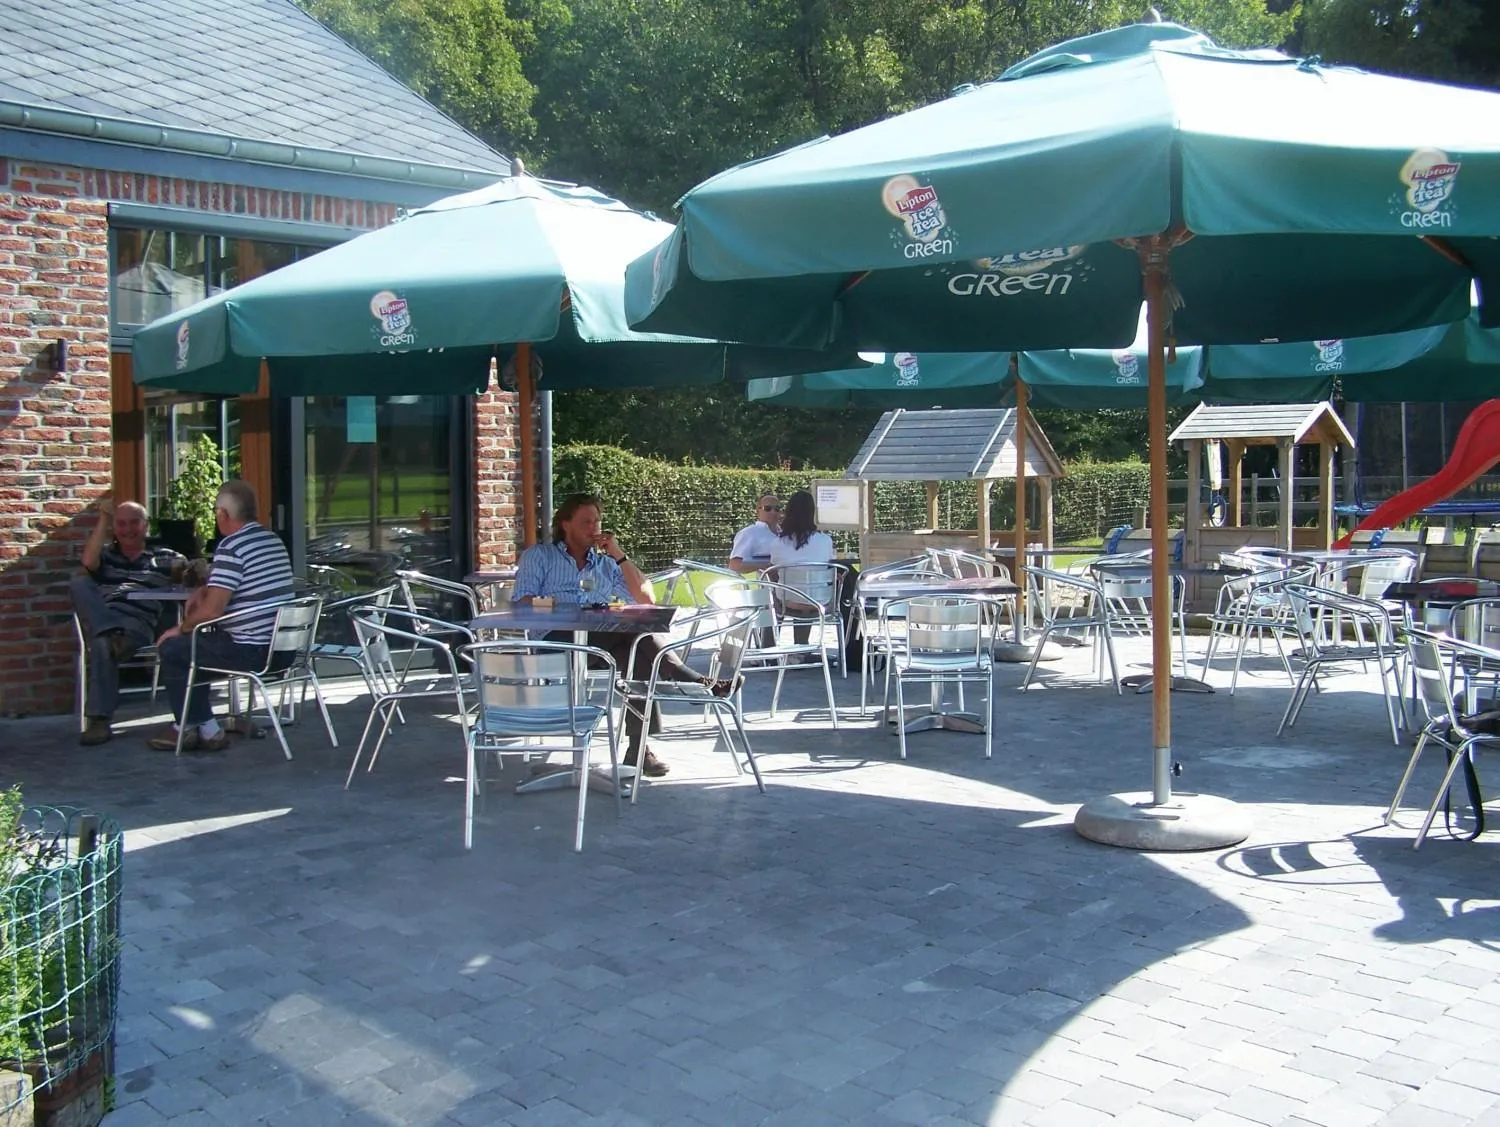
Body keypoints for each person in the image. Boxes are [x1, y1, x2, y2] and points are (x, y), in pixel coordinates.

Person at [512, 492, 734, 778]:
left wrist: (618, 553)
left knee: (638, 649)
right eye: (585, 522)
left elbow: (645, 598)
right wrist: (560, 606)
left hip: (602, 643)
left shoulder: (605, 564)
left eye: (597, 522)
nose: (594, 528)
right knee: (638, 640)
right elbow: (522, 601)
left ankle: (639, 747)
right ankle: (696, 685)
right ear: (565, 524)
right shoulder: (540, 556)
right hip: (556, 640)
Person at [150, 480, 295, 752]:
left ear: (222, 515)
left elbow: (212, 611)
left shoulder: (232, 547)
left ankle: (193, 727)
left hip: (253, 652)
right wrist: (207, 587)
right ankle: (203, 728)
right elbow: (238, 585)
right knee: (198, 646)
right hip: (284, 651)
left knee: (174, 648)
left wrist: (179, 628)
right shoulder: (272, 540)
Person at [70, 499, 186, 746]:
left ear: (145, 526)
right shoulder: (107, 557)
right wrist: (103, 519)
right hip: (108, 618)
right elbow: (88, 563)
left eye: (134, 522)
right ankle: (111, 635)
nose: (128, 529)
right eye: (121, 524)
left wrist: (189, 571)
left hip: (138, 623)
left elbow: (187, 573)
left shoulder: (163, 557)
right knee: (79, 583)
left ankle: (99, 721)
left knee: (101, 644)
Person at [769, 490, 836, 646]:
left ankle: (768, 648)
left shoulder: (778, 543)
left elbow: (774, 571)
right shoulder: (825, 540)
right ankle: (801, 647)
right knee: (809, 588)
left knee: (768, 588)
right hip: (819, 601)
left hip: (787, 602)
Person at [728, 494, 781, 573]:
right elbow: (735, 566)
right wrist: (767, 566)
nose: (773, 512)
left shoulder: (787, 534)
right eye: (767, 508)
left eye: (777, 509)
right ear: (757, 511)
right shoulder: (749, 533)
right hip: (768, 584)